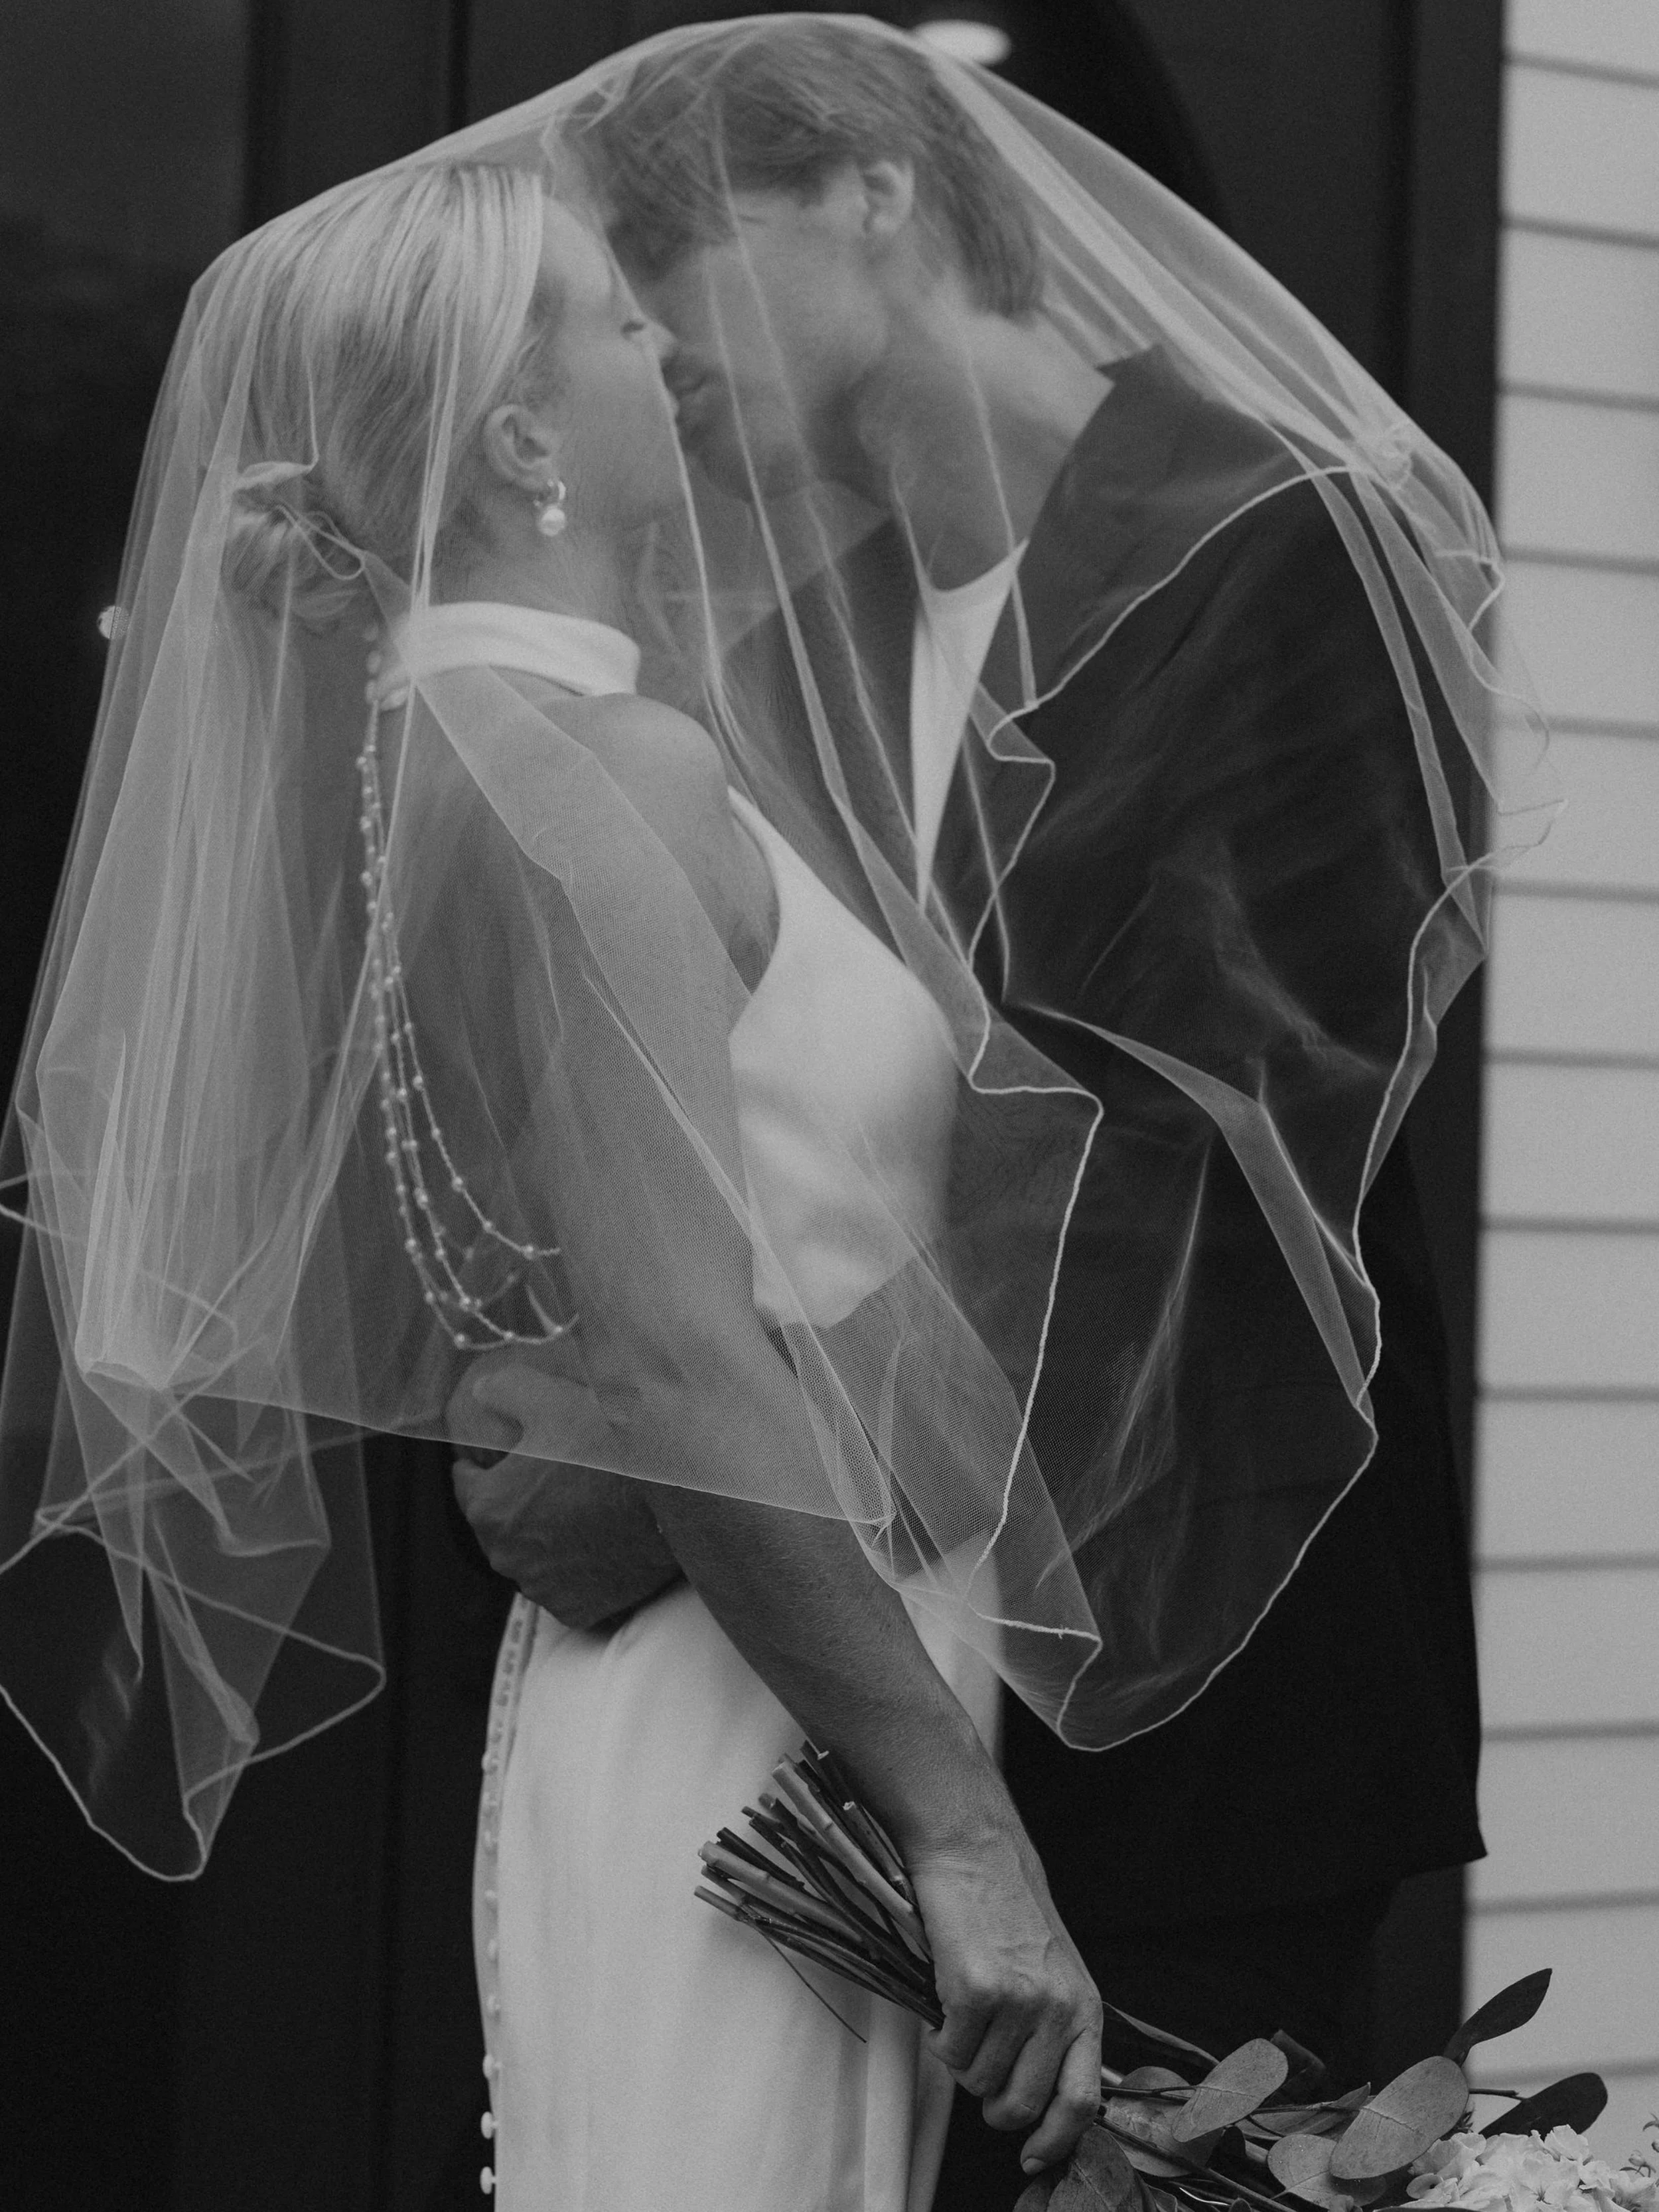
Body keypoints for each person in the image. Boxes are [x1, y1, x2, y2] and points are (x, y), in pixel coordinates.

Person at [451, 20, 1552, 2204]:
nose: (650, 334)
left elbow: (1161, 1184)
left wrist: (667, 1475)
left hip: (1183, 1704)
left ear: (875, 187)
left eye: (672, 248)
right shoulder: (797, 649)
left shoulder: (1273, 545)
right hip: (817, 1718)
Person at [0, 152, 1104, 2212]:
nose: (668, 342)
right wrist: (963, 1831)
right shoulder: (596, 772)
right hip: (760, 1727)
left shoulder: (437, 735)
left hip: (750, 1677)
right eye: (613, 317)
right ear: (522, 438)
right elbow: (682, 1358)